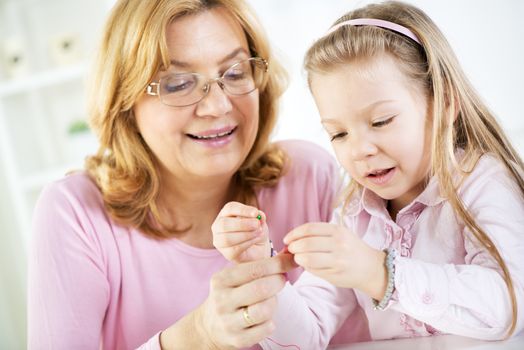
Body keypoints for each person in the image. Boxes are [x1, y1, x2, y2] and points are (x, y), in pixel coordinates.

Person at [27, 0, 343, 349]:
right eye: (178, 84)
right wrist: (196, 335)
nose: (218, 106)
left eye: (236, 73)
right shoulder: (74, 212)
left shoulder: (308, 176)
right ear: (126, 101)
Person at [213, 1, 524, 348]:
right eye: (339, 134)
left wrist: (381, 273)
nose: (360, 150)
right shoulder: (353, 217)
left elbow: (508, 307)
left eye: (381, 121)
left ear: (445, 104)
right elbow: (305, 337)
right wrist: (261, 268)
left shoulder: (484, 183)